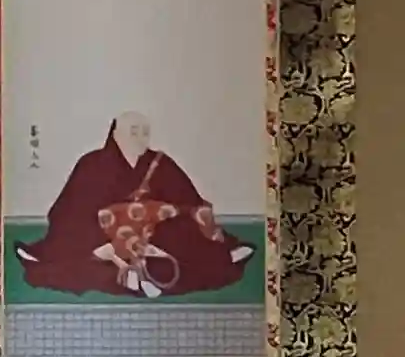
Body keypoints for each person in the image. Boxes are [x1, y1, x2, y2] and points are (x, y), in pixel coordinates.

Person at [15, 112, 254, 299]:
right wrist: (103, 244)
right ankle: (49, 256)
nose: (141, 137)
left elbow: (188, 203)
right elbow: (69, 210)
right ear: (115, 132)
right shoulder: (91, 163)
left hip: (153, 239)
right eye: (134, 131)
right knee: (79, 244)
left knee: (179, 232)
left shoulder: (161, 163)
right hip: (105, 240)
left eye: (145, 132)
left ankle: (219, 255)